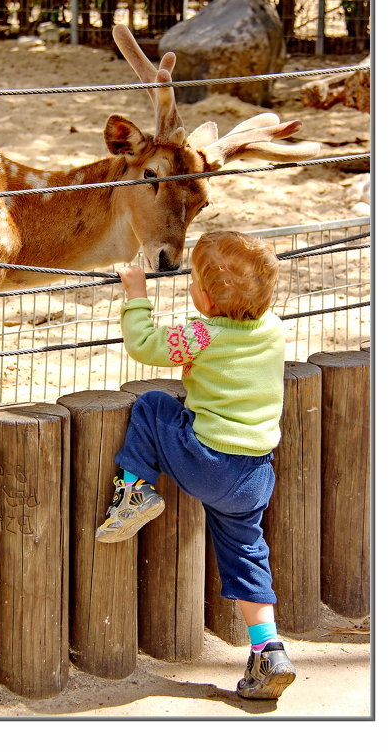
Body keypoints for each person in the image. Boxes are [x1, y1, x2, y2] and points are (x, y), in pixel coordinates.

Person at [95, 230, 296, 700]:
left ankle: (135, 492)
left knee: (152, 406)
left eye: (192, 285)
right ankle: (269, 648)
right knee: (247, 556)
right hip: (254, 474)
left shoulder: (202, 333)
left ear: (204, 297)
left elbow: (145, 345)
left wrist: (137, 295)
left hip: (208, 461)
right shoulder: (274, 329)